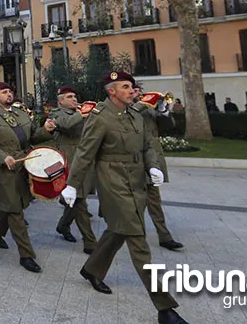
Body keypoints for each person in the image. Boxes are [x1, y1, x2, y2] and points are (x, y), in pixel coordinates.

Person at [60, 71, 187, 324]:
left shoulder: (136, 115)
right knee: (138, 240)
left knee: (118, 230)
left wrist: (152, 166)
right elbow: (84, 153)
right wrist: (72, 185)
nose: (132, 90)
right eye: (125, 87)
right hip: (112, 182)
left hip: (137, 180)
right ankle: (165, 308)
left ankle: (92, 269)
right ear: (112, 91)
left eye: (132, 86)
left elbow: (148, 145)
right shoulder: (100, 117)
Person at [0, 81, 55, 273]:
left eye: (10, 91)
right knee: (15, 210)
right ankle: (26, 255)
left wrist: (47, 130)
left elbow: (32, 137)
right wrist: (3, 157)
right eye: (4, 92)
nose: (9, 94)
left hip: (24, 165)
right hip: (4, 169)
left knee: (14, 204)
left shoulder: (20, 113)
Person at [133, 85, 184, 252]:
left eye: (139, 91)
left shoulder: (148, 110)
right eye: (133, 91)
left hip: (152, 160)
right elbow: (130, 116)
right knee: (134, 203)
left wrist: (164, 110)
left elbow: (169, 125)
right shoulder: (126, 107)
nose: (137, 93)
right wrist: (143, 102)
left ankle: (164, 236)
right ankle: (133, 236)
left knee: (155, 201)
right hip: (134, 161)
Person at [50, 86, 97, 253]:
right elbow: (65, 124)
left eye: (75, 96)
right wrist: (82, 113)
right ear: (61, 100)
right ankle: (90, 242)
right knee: (79, 201)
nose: (74, 99)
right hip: (69, 162)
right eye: (70, 97)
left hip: (83, 160)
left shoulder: (79, 112)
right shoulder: (57, 113)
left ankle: (63, 225)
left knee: (78, 198)